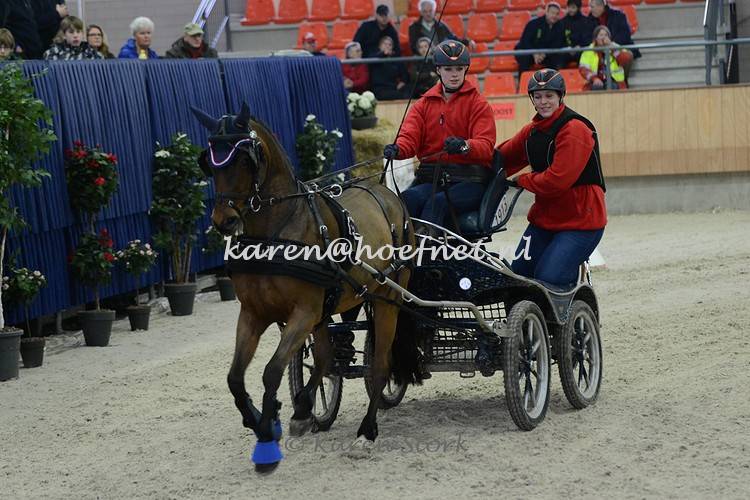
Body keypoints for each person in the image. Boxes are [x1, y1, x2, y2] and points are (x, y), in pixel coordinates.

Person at [497, 68, 606, 288]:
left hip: (581, 222)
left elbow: (558, 180)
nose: (543, 101)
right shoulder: (532, 132)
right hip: (546, 221)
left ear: (560, 96)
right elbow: (500, 157)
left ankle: (565, 316)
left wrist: (523, 180)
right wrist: (466, 156)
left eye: (549, 96)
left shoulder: (575, 129)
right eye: (538, 96)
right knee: (518, 277)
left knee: (549, 279)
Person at [383, 40, 496, 229]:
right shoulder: (423, 104)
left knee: (437, 204)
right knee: (406, 200)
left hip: (469, 182)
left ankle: (429, 256)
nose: (454, 74)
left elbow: (485, 146)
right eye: (448, 69)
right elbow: (409, 137)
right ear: (438, 70)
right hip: (433, 179)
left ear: (465, 70)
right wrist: (398, 149)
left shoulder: (479, 104)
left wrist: (465, 146)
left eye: (459, 69)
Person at [408, 0, 473, 56]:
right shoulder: (413, 28)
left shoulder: (442, 26)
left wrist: (467, 42)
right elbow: (413, 47)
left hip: (440, 59)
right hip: (423, 61)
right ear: (421, 12)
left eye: (430, 11)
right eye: (425, 11)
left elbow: (453, 39)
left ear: (434, 11)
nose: (428, 14)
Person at [588, 0, 640, 69]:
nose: (590, 10)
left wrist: (610, 44)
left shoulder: (618, 15)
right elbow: (588, 37)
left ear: (600, 6)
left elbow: (625, 35)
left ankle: (622, 78)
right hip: (599, 48)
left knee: (627, 56)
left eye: (592, 7)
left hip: (618, 46)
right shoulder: (589, 19)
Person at [514, 1, 565, 72]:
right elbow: (525, 41)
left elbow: (558, 43)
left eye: (557, 14)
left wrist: (544, 54)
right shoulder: (533, 23)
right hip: (529, 51)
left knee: (556, 60)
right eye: (552, 13)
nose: (554, 16)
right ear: (546, 12)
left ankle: (552, 82)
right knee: (524, 59)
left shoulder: (560, 26)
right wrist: (534, 53)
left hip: (547, 53)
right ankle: (523, 82)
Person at [579, 25, 632, 90]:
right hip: (595, 81)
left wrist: (612, 48)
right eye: (601, 35)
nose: (603, 37)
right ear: (596, 38)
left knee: (612, 86)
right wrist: (594, 79)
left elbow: (626, 59)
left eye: (606, 35)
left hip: (614, 81)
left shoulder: (614, 46)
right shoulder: (588, 50)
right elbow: (583, 69)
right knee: (596, 87)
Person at [369, 35, 410, 100]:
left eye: (390, 45)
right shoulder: (374, 57)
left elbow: (405, 74)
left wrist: (403, 82)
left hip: (393, 87)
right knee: (399, 95)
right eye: (385, 44)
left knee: (409, 90)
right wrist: (383, 54)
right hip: (380, 89)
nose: (387, 46)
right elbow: (370, 63)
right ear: (379, 46)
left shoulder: (395, 59)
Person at [560, 0, 595, 67]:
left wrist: (579, 46)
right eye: (569, 7)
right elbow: (560, 38)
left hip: (581, 50)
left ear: (578, 8)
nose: (570, 10)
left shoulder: (586, 21)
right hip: (566, 51)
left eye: (573, 7)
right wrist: (568, 48)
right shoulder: (562, 22)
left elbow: (588, 38)